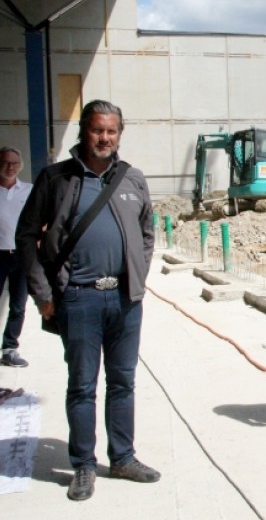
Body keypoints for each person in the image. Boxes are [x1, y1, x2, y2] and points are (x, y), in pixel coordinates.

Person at [16, 100, 159, 500]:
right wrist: (42, 294)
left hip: (126, 301)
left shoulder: (133, 179)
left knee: (123, 382)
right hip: (78, 299)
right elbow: (26, 236)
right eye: (98, 130)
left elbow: (148, 232)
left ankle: (123, 457)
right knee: (82, 386)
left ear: (120, 134)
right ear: (84, 131)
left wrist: (139, 276)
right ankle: (82, 464)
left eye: (112, 131)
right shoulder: (56, 178)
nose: (105, 138)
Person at [0, 146, 32, 367]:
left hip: (22, 256)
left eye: (14, 163)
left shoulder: (29, 191)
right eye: (5, 162)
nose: (10, 167)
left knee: (18, 305)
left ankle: (10, 349)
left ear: (20, 165)